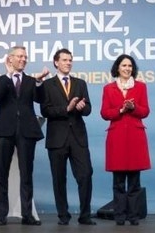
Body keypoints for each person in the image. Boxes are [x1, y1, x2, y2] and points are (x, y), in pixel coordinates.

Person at [0, 45, 49, 226]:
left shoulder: (31, 80)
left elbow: (40, 98)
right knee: (1, 173)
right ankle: (1, 215)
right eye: (20, 56)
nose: (23, 59)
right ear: (10, 59)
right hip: (3, 131)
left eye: (25, 56)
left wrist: (39, 81)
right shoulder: (0, 79)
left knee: (26, 173)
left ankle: (27, 215)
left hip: (26, 131)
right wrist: (8, 75)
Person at [40, 48, 96, 225]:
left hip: (78, 137)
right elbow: (45, 110)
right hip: (57, 139)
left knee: (86, 174)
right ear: (56, 62)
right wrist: (67, 109)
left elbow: (88, 109)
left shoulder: (80, 83)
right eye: (64, 60)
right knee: (59, 179)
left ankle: (85, 215)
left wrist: (81, 107)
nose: (68, 63)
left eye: (70, 60)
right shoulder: (47, 85)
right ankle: (63, 216)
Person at [100, 54, 151, 226]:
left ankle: (133, 216)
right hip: (117, 138)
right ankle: (120, 216)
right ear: (118, 68)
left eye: (130, 66)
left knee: (135, 182)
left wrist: (134, 107)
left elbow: (145, 111)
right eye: (124, 65)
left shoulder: (141, 87)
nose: (127, 68)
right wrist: (121, 110)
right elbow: (105, 113)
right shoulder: (108, 88)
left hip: (136, 138)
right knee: (119, 181)